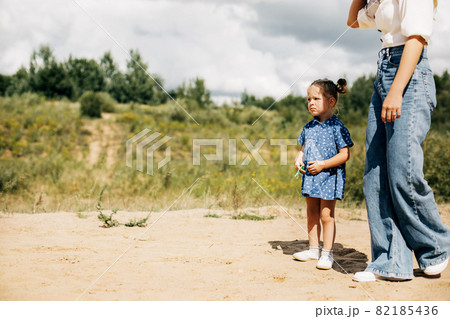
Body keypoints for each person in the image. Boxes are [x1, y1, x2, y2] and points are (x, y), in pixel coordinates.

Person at [348, 0, 450, 282]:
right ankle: (390, 261)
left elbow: (416, 39)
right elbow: (354, 22)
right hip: (383, 72)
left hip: (409, 75)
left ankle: (436, 246)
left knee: (402, 171)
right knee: (375, 174)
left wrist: (396, 92)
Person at [293, 78, 354, 270]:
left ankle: (327, 254)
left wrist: (323, 165)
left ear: (331, 102)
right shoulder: (308, 127)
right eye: (309, 99)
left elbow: (345, 154)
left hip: (329, 177)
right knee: (311, 212)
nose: (311, 103)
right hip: (310, 177)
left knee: (326, 215)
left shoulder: (337, 127)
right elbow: (303, 149)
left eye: (316, 99)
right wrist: (299, 159)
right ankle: (313, 249)